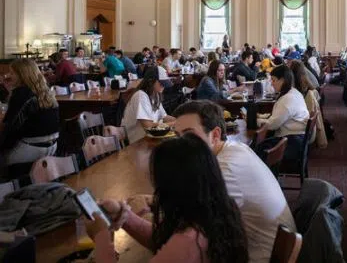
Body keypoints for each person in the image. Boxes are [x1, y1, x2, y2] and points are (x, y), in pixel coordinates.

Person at [87, 134, 249, 263]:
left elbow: (178, 246)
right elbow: (164, 241)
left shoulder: (188, 242)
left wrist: (101, 236)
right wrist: (124, 216)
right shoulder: (221, 209)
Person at [173, 101, 296, 263]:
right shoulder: (234, 148)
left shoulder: (225, 169)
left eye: (189, 135)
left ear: (215, 135)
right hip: (264, 247)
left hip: (260, 257)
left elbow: (188, 237)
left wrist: (132, 219)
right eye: (177, 136)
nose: (180, 144)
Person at [0, 59, 59, 168]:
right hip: (52, 147)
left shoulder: (21, 94)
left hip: (30, 150)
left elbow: (11, 128)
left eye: (12, 73)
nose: (8, 75)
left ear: (22, 75)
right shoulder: (45, 91)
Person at [260, 65, 309, 162]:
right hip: (297, 139)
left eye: (273, 80)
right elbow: (280, 116)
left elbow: (273, 125)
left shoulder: (288, 99)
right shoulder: (293, 92)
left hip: (293, 143)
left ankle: (267, 176)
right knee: (261, 146)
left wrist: (255, 120)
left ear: (282, 80)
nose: (272, 84)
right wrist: (263, 117)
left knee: (257, 150)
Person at [121, 67, 175, 143]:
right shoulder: (141, 96)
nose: (164, 86)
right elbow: (148, 126)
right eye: (161, 83)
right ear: (151, 81)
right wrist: (173, 123)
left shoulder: (156, 94)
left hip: (150, 138)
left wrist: (179, 120)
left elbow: (164, 116)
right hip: (137, 142)